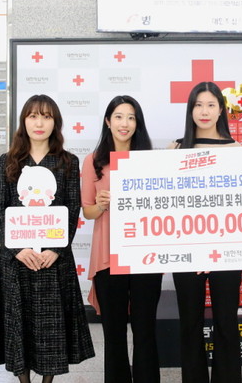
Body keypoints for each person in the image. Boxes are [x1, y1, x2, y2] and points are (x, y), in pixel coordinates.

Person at [0, 94, 94, 382]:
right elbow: (0, 209)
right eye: (33, 116)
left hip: (53, 259)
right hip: (17, 259)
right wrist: (17, 250)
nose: (39, 123)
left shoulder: (68, 162)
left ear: (55, 123)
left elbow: (73, 208)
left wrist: (56, 249)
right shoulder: (7, 162)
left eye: (46, 117)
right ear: (24, 121)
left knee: (51, 329)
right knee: (18, 326)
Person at [82, 95, 163, 383]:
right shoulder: (93, 161)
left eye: (131, 117)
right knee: (113, 334)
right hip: (108, 256)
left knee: (145, 331)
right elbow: (88, 211)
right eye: (118, 116)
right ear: (108, 121)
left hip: (144, 256)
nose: (124, 123)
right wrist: (101, 205)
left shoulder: (151, 161)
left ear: (137, 123)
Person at [169, 81, 242, 383]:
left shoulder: (238, 151)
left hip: (227, 253)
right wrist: (196, 248)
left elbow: (240, 206)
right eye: (198, 105)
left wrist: (215, 249)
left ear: (221, 110)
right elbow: (169, 205)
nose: (204, 111)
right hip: (186, 253)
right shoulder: (175, 149)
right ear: (190, 110)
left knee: (226, 322)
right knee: (190, 323)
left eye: (211, 105)